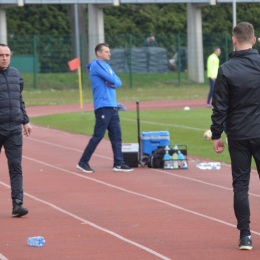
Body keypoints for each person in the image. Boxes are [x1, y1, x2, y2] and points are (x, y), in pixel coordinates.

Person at [211, 22, 260, 250]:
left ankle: (245, 236)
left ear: (233, 40)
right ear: (254, 39)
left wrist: (216, 135)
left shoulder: (226, 68)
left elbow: (219, 106)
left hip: (239, 135)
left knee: (240, 186)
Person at [77, 43, 133, 173]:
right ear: (99, 53)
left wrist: (113, 83)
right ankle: (83, 162)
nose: (109, 53)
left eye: (109, 51)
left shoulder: (107, 66)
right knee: (98, 135)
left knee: (116, 135)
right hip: (103, 106)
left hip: (112, 105)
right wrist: (113, 81)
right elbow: (111, 79)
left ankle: (119, 163)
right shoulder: (96, 65)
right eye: (106, 51)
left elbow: (118, 82)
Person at [0, 43, 32, 217]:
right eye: (1, 55)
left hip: (13, 128)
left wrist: (25, 121)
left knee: (15, 166)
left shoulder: (15, 74)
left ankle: (17, 204)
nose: (4, 58)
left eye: (7, 55)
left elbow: (19, 99)